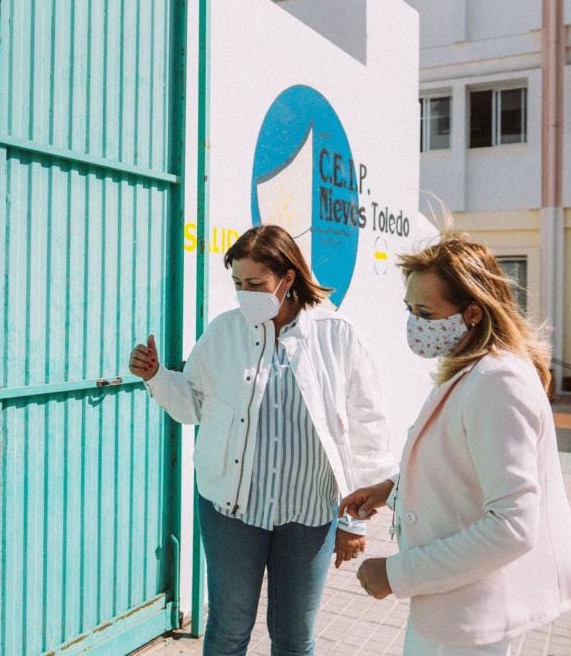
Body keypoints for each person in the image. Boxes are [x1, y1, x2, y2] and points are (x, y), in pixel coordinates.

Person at [129, 225, 392, 656]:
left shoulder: (336, 335)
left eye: (255, 284)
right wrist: (157, 376)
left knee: (294, 636)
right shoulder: (224, 332)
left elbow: (368, 427)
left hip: (308, 513)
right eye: (238, 284)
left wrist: (355, 519)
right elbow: (193, 406)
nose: (244, 293)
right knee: (229, 630)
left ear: (287, 279)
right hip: (232, 509)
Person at [339, 233, 571, 655]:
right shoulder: (475, 371)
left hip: (474, 619)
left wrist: (396, 573)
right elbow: (465, 465)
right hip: (452, 609)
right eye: (410, 310)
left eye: (425, 312)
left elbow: (513, 526)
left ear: (473, 312)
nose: (414, 324)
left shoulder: (498, 382)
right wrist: (393, 489)